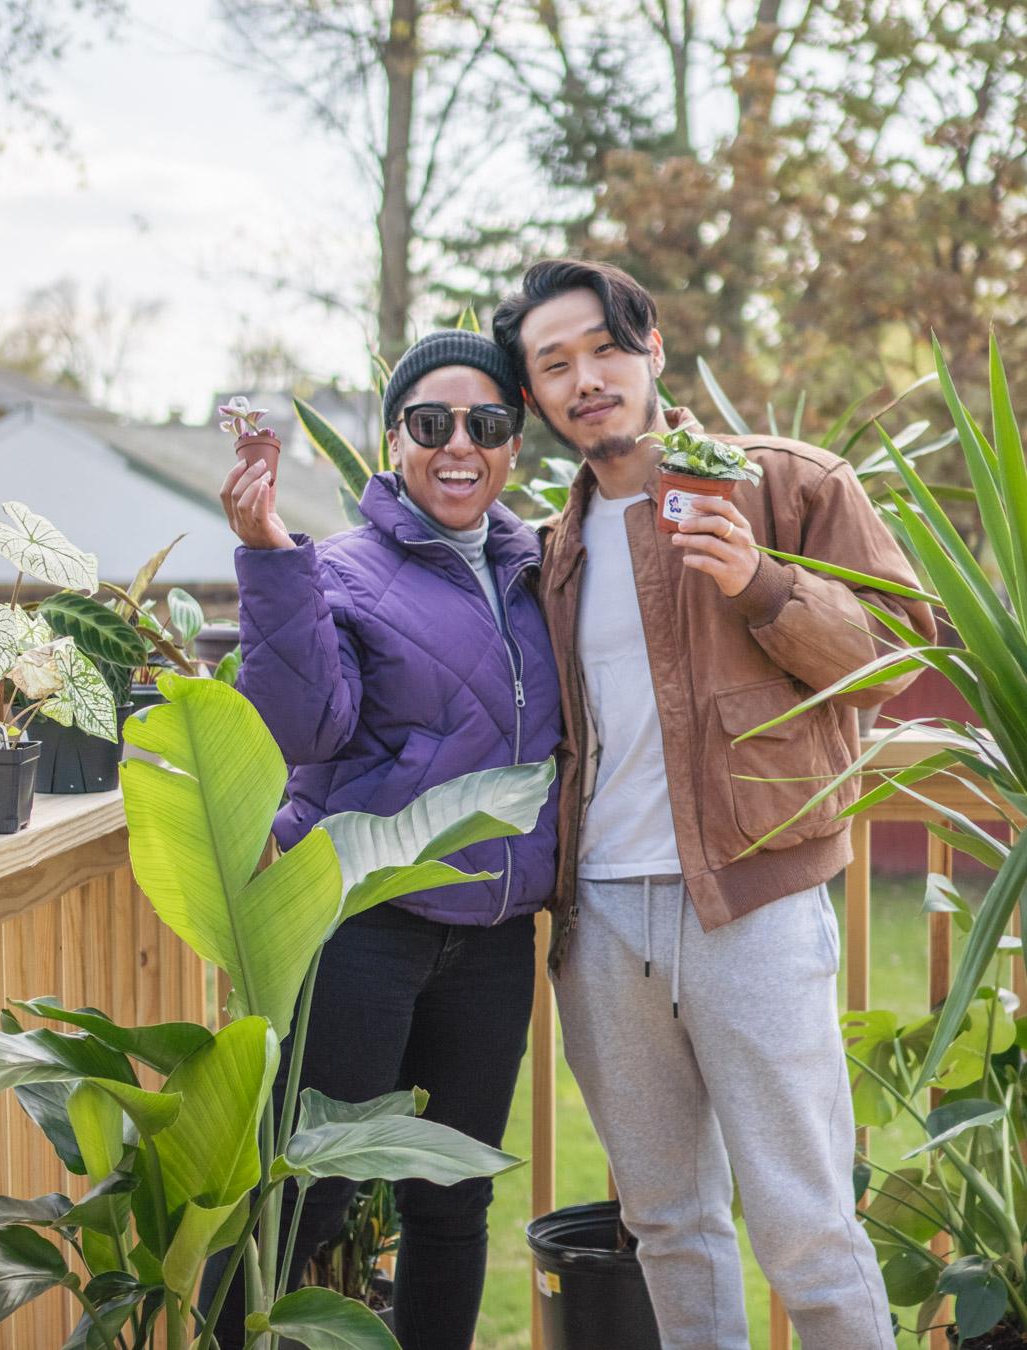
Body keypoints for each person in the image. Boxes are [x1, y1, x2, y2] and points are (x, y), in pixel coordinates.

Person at [492, 259, 937, 1350]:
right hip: (601, 925)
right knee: (667, 1227)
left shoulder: (786, 482)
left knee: (808, 1231)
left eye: (603, 349)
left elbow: (898, 651)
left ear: (652, 354)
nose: (584, 378)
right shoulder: (554, 546)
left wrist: (763, 585)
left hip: (754, 909)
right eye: (555, 365)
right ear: (538, 398)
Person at [205, 329, 561, 1349]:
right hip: (365, 927)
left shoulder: (541, 566)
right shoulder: (343, 572)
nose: (460, 444)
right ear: (393, 440)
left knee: (450, 1206)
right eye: (431, 422)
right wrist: (271, 557)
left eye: (486, 424)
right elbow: (305, 730)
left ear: (512, 444)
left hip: (493, 937)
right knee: (306, 1196)